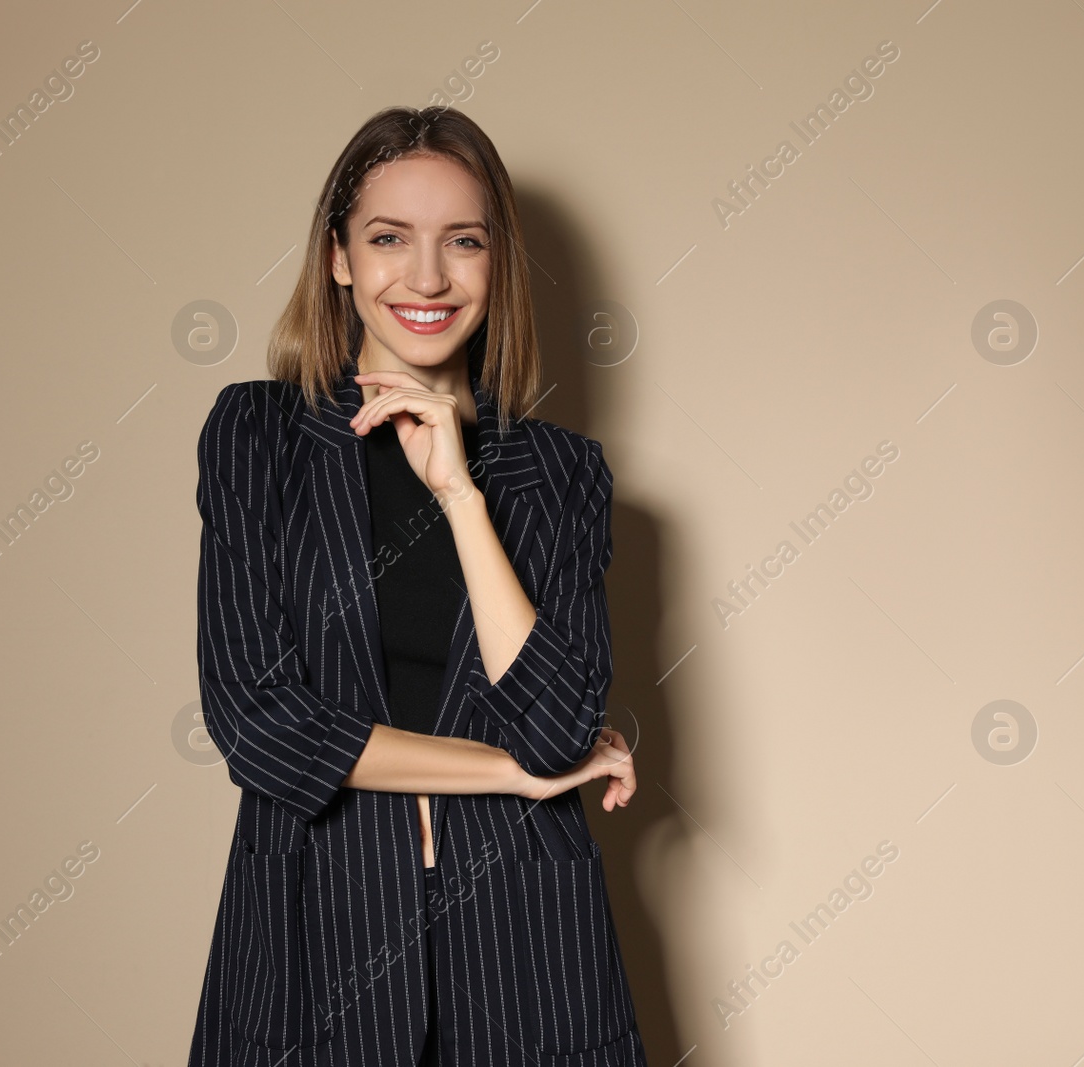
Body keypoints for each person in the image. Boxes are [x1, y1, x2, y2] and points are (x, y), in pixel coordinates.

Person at [188, 105, 648, 1067]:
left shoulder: (561, 475)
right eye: (389, 238)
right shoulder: (258, 437)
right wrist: (509, 774)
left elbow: (559, 727)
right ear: (340, 258)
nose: (428, 277)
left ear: (497, 264)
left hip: (528, 951)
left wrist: (461, 496)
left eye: (463, 242)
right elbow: (260, 723)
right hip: (313, 940)